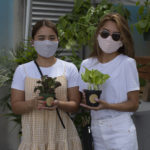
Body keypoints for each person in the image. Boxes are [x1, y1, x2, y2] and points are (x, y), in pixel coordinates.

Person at [11, 20, 82, 150]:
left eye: (51, 38)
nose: (47, 42)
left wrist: (59, 104)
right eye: (41, 38)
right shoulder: (22, 70)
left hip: (63, 138)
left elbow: (75, 105)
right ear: (33, 42)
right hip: (33, 140)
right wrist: (32, 103)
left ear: (58, 40)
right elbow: (16, 107)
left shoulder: (69, 68)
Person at [78, 13, 140, 150]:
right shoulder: (86, 64)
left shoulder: (127, 63)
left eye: (116, 36)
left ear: (122, 40)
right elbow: (81, 98)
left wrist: (108, 106)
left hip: (121, 132)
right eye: (105, 33)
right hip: (97, 130)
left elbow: (134, 104)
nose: (109, 39)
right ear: (98, 33)